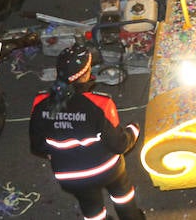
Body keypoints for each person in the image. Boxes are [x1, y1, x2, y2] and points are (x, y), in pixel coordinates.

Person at [30, 44, 144, 220]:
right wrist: (133, 129)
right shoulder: (100, 104)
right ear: (85, 74)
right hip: (107, 170)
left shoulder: (40, 104)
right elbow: (119, 144)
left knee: (91, 209)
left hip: (71, 177)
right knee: (123, 196)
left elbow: (37, 146)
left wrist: (60, 154)